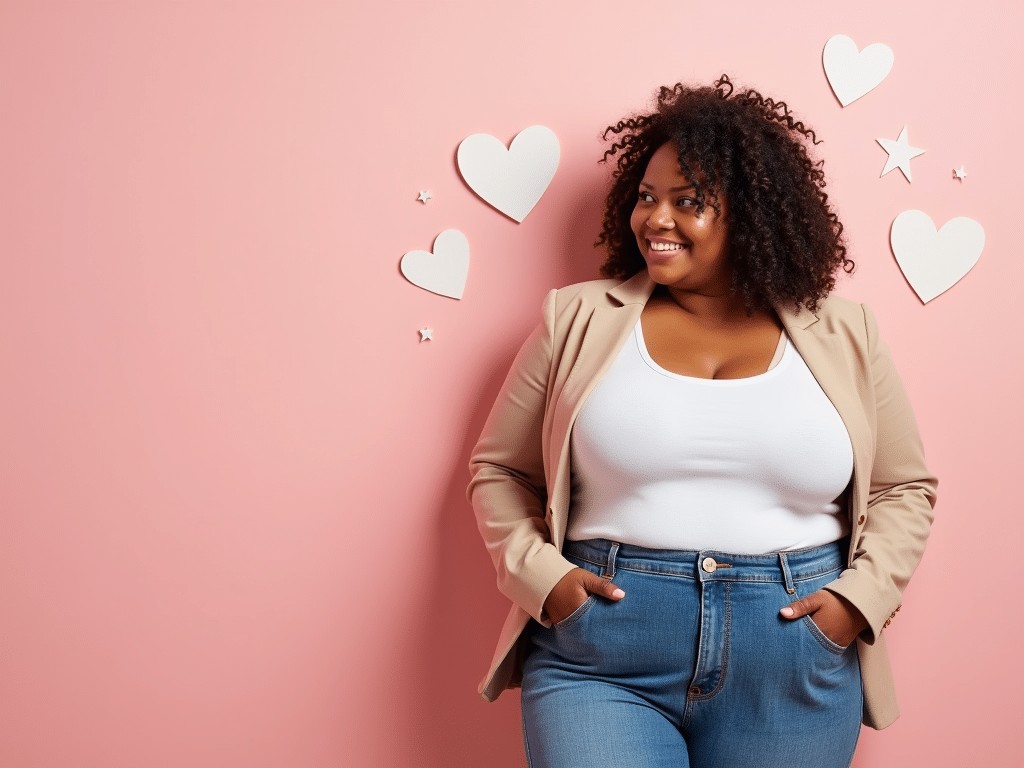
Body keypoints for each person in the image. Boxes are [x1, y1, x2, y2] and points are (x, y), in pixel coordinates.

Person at [467, 75, 937, 768]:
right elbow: (500, 470)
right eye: (647, 197)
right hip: (604, 647)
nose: (654, 219)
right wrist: (548, 583)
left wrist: (857, 602)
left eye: (688, 203)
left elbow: (904, 487)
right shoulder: (576, 319)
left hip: (792, 651)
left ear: (751, 214)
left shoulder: (844, 333)